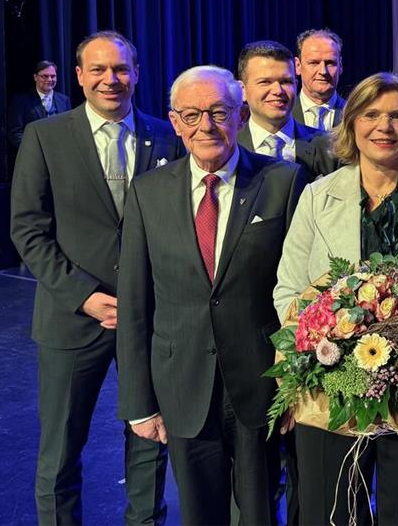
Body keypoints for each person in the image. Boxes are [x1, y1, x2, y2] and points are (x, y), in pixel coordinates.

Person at [273, 73, 398, 525]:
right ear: (351, 125)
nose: (384, 126)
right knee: (331, 511)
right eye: (371, 115)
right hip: (328, 388)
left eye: (396, 116)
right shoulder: (315, 196)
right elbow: (288, 289)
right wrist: (326, 350)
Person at [117, 65, 305, 525]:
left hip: (261, 383)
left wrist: (298, 386)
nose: (206, 125)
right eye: (192, 114)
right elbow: (136, 304)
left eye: (218, 112)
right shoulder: (147, 192)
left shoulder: (284, 182)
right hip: (181, 383)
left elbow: (305, 293)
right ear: (174, 121)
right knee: (199, 514)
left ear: (240, 115)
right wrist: (139, 403)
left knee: (259, 511)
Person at [10, 31, 177, 526]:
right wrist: (84, 296)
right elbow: (28, 228)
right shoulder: (46, 136)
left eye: (121, 69)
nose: (111, 79)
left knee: (149, 446)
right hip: (72, 319)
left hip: (150, 320)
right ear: (79, 76)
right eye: (98, 70)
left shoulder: (165, 136)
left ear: (137, 74)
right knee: (60, 452)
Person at [236, 40, 338, 181]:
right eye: (265, 82)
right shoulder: (229, 148)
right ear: (242, 91)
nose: (278, 91)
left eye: (286, 82)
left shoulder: (329, 147)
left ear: (296, 85)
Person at [8, 60, 72, 149]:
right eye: (45, 76)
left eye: (53, 76)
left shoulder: (64, 100)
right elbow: (15, 133)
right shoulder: (21, 101)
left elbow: (69, 129)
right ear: (35, 77)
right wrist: (34, 150)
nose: (49, 79)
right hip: (33, 156)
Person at [293, 28, 346, 132]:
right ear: (298, 66)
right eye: (314, 63)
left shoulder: (354, 114)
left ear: (340, 65)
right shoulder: (282, 115)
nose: (323, 71)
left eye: (330, 63)